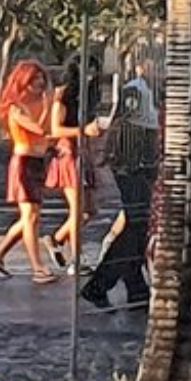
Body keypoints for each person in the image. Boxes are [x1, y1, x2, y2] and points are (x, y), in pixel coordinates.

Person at [83, 58, 158, 309]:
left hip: (140, 162)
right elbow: (122, 124)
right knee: (136, 224)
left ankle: (135, 285)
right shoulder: (136, 89)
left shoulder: (152, 92)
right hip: (131, 163)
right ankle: (101, 284)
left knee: (138, 225)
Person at [0, 60, 57, 284]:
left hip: (38, 161)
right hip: (24, 163)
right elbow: (39, 129)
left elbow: (48, 135)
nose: (39, 84)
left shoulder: (38, 103)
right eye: (34, 79)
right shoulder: (16, 108)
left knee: (31, 216)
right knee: (30, 216)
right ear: (23, 81)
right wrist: (48, 107)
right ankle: (37, 267)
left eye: (41, 79)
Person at [45, 57, 107, 273]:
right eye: (86, 71)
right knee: (77, 208)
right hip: (68, 152)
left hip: (84, 151)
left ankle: (56, 238)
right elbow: (55, 129)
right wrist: (83, 130)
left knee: (90, 210)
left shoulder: (89, 95)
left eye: (93, 72)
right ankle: (76, 259)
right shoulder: (63, 94)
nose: (90, 76)